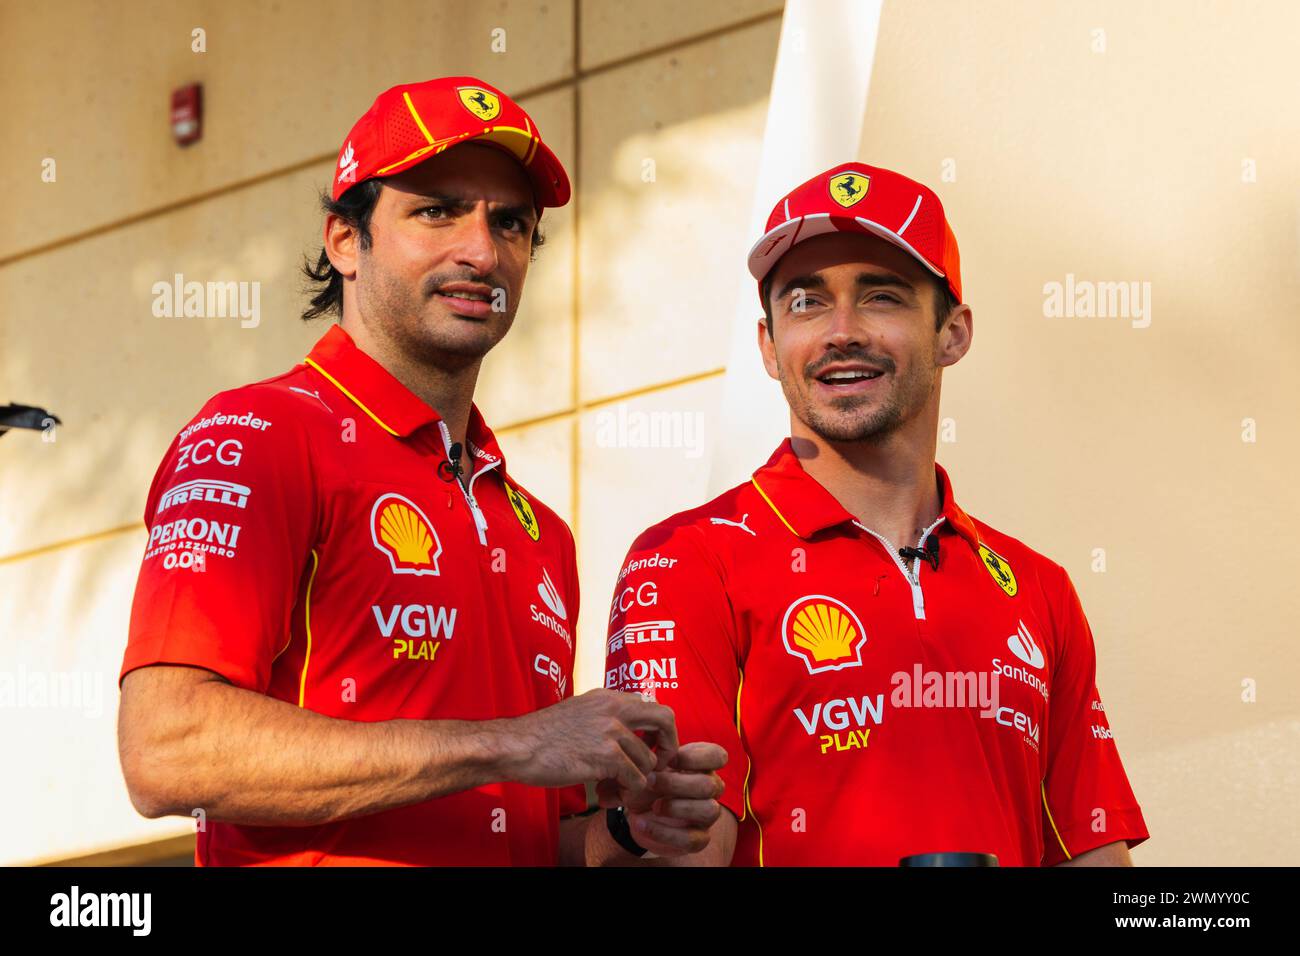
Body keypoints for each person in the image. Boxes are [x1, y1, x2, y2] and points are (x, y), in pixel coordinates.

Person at [117, 75, 724, 866]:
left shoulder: (541, 532)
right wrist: (511, 744)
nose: (481, 250)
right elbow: (167, 752)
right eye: (436, 209)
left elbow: (526, 829)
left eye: (510, 223)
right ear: (344, 240)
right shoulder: (260, 433)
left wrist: (625, 831)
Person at [595, 162, 1150, 866]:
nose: (842, 331)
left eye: (881, 297)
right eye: (805, 303)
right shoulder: (688, 558)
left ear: (953, 333)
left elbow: (1096, 859)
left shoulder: (1039, 589)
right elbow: (684, 853)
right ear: (769, 347)